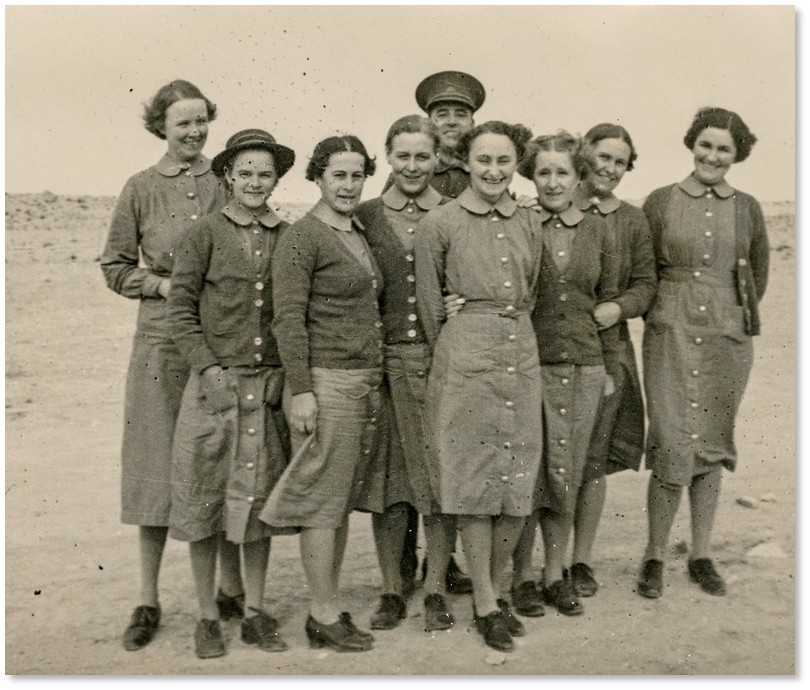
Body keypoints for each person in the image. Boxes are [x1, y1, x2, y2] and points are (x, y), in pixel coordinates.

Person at [100, 79, 243, 652]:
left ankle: (230, 589)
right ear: (160, 125)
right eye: (182, 122)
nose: (194, 131)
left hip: (221, 342)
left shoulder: (226, 178)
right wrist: (160, 284)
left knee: (222, 461)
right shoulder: (139, 188)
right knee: (157, 470)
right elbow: (114, 265)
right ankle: (147, 598)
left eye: (201, 120)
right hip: (160, 345)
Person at [167, 129, 296, 658]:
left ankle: (256, 611)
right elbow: (180, 310)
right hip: (213, 391)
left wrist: (284, 374)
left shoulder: (287, 234)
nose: (255, 182)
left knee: (257, 504)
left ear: (276, 179)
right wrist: (209, 369)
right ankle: (205, 615)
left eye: (264, 173)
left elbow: (293, 313)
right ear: (227, 176)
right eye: (244, 173)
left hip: (264, 392)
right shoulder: (203, 234)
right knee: (205, 503)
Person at [415, 120, 543, 652]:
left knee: (515, 473)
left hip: (521, 349)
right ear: (466, 162)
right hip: (465, 354)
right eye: (483, 160)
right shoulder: (440, 223)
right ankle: (487, 600)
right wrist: (465, 330)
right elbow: (428, 307)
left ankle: (494, 587)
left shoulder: (529, 221)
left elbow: (530, 291)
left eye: (503, 161)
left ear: (515, 164)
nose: (493, 171)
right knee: (471, 474)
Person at [636, 107, 768, 599]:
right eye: (706, 145)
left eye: (724, 149)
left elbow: (757, 272)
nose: (713, 156)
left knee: (711, 441)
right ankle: (653, 554)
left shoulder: (748, 207)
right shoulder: (660, 201)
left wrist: (727, 317)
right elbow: (644, 268)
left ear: (737, 156)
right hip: (669, 332)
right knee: (671, 438)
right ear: (692, 144)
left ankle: (701, 553)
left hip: (725, 337)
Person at [260, 135, 383, 653]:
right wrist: (303, 390)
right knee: (320, 504)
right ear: (317, 177)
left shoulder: (355, 231)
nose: (349, 185)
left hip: (361, 382)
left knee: (336, 503)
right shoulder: (303, 237)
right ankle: (323, 613)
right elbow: (287, 318)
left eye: (357, 175)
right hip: (327, 384)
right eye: (339, 175)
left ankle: (326, 606)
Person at [353, 115, 456, 633]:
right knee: (388, 483)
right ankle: (393, 588)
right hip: (384, 365)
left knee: (439, 480)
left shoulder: (456, 212)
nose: (413, 166)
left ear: (437, 158)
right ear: (388, 158)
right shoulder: (366, 214)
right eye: (403, 156)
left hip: (442, 366)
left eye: (423, 156)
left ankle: (436, 587)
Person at [509, 132, 615, 618]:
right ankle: (522, 577)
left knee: (566, 474)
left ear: (579, 178)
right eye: (544, 172)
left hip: (585, 369)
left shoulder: (598, 230)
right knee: (529, 476)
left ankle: (556, 574)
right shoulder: (518, 223)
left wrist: (609, 367)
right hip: (530, 367)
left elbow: (609, 303)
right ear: (532, 174)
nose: (553, 182)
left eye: (563, 172)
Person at [566, 124, 657, 597]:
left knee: (592, 462)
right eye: (602, 157)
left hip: (609, 350)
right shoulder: (556, 200)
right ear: (585, 155)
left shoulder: (633, 220)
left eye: (619, 162)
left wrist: (618, 307)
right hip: (556, 350)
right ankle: (538, 568)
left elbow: (646, 284)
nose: (609, 168)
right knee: (551, 458)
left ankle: (580, 560)